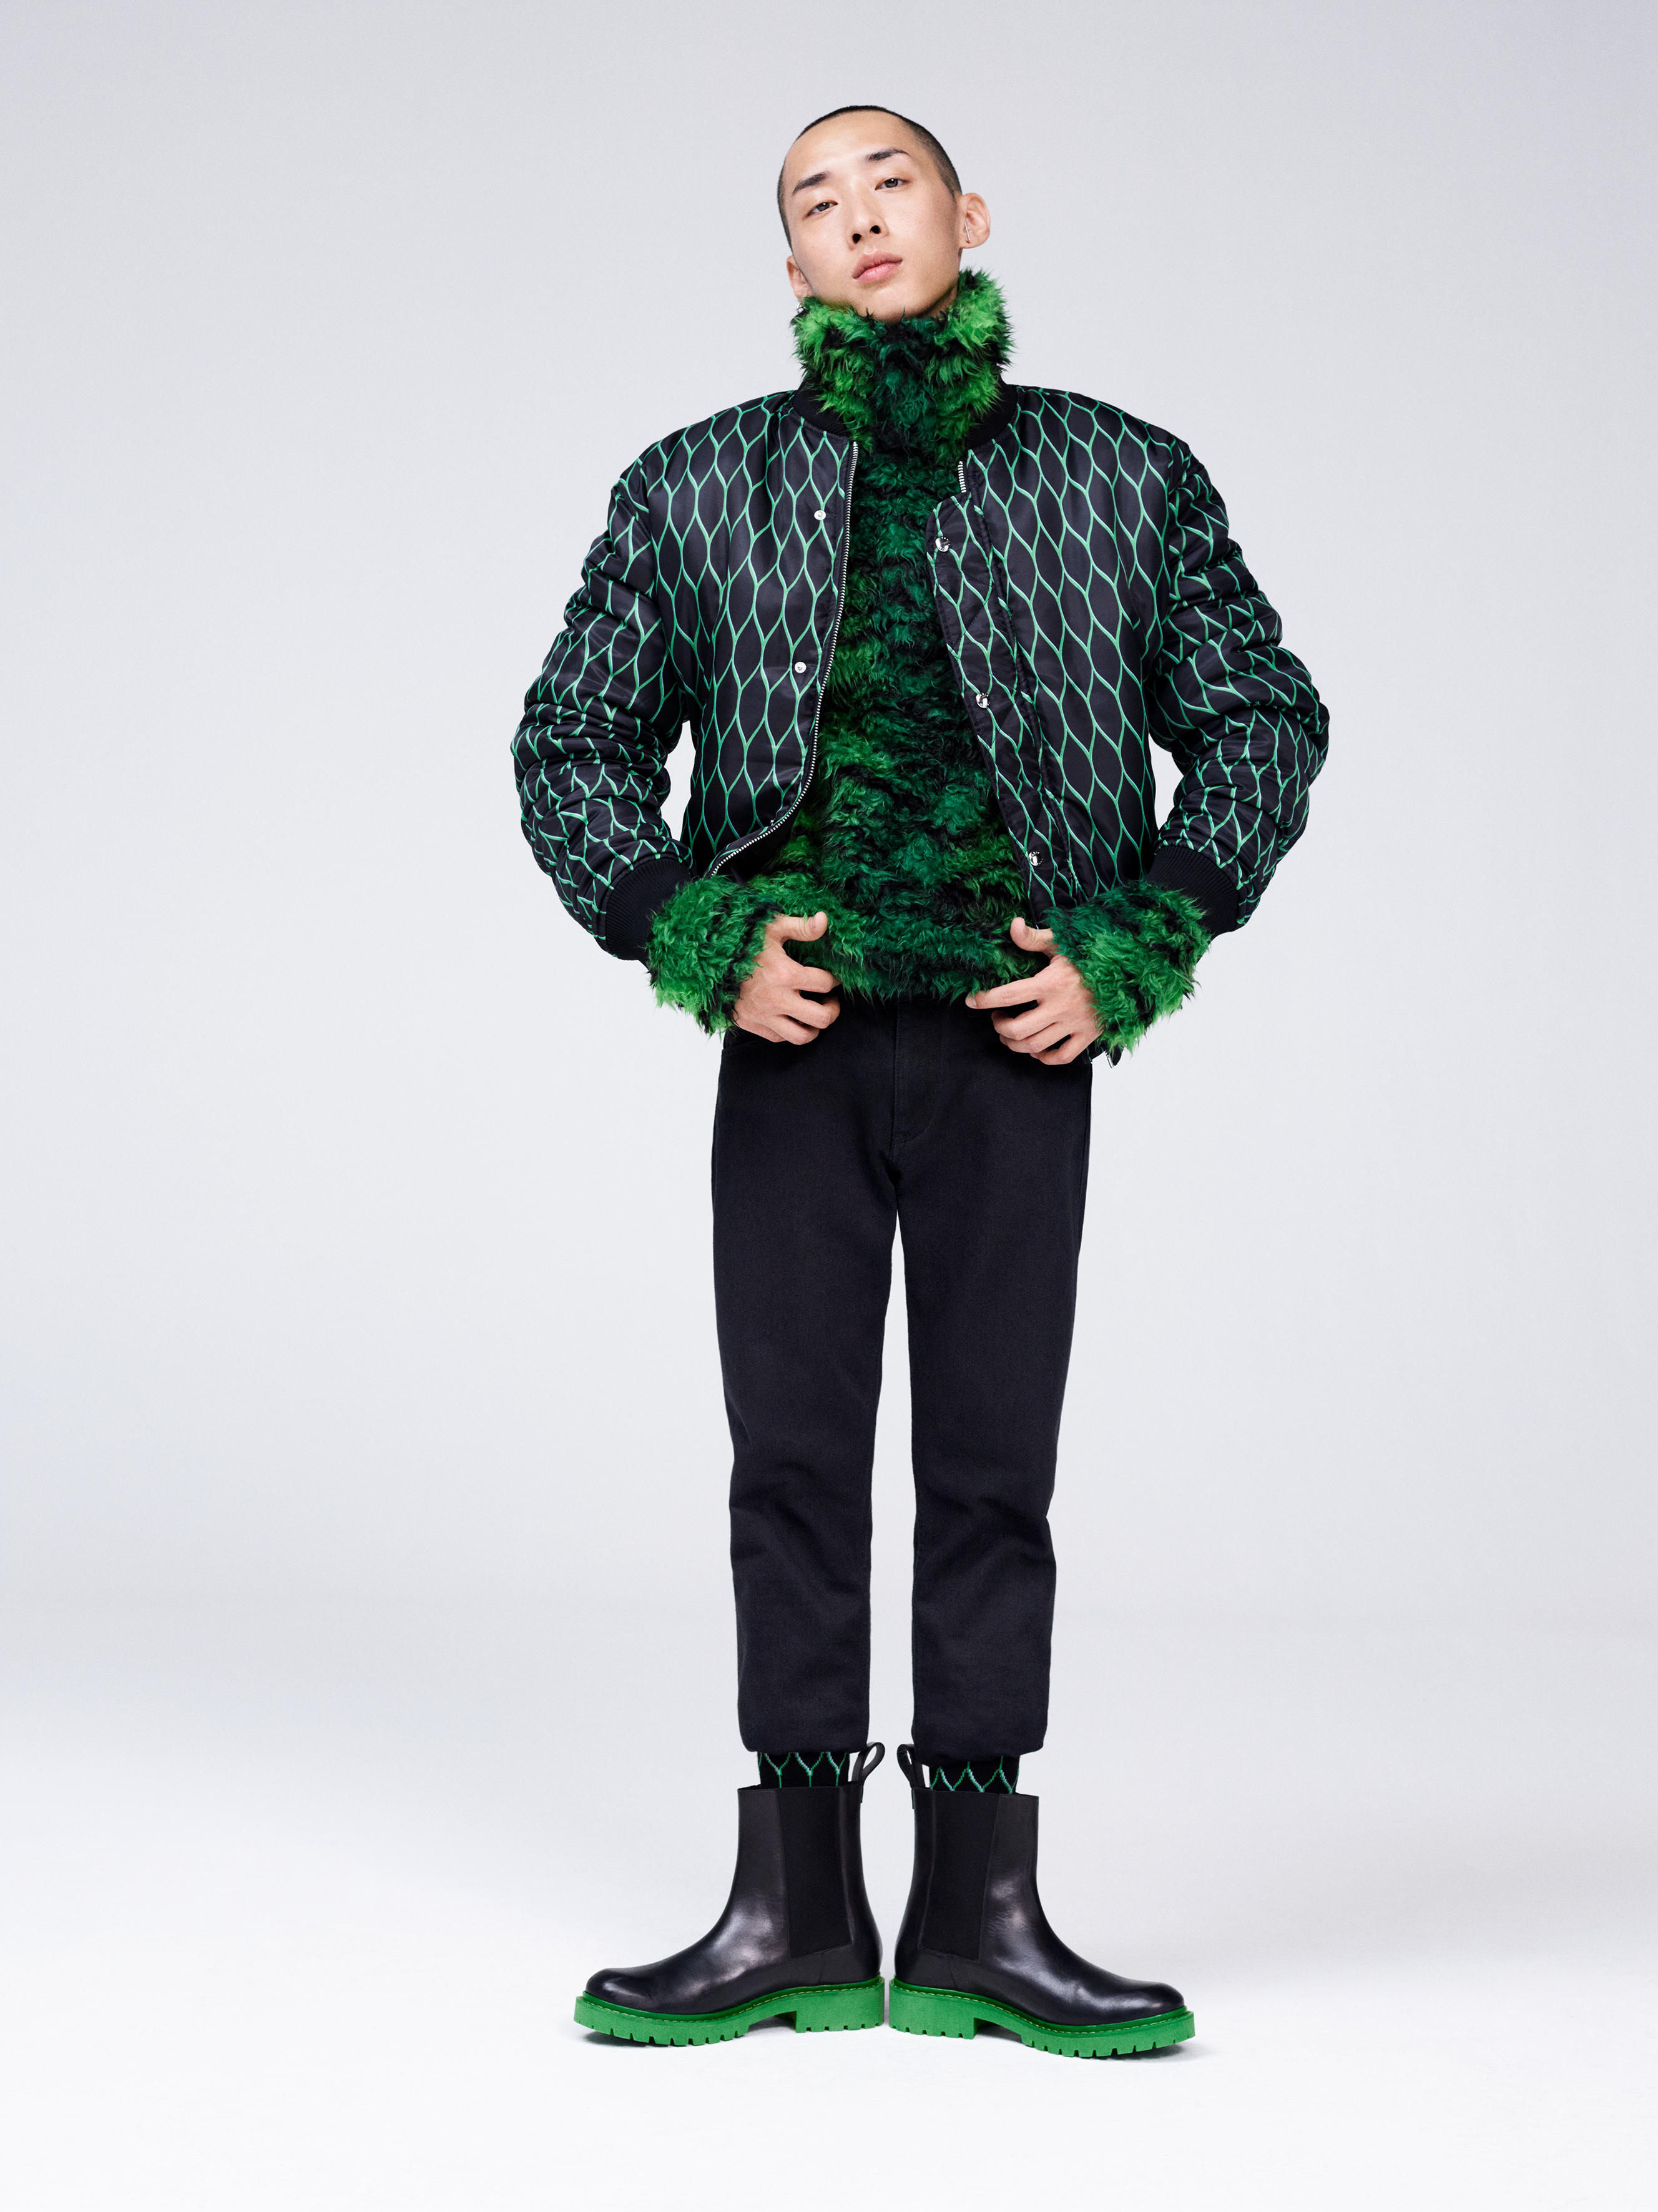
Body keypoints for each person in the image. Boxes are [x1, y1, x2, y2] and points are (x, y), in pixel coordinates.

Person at [513, 104, 1327, 2057]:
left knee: (991, 1471)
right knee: (790, 1467)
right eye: (817, 200)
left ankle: (980, 1919)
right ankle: (792, 1913)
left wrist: (1142, 939)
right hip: (794, 1049)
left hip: (1010, 1045)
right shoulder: (695, 486)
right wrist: (690, 930)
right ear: (789, 262)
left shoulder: (1122, 473)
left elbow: (1261, 718)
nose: (859, 217)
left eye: (889, 184)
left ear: (968, 214)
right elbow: (570, 745)